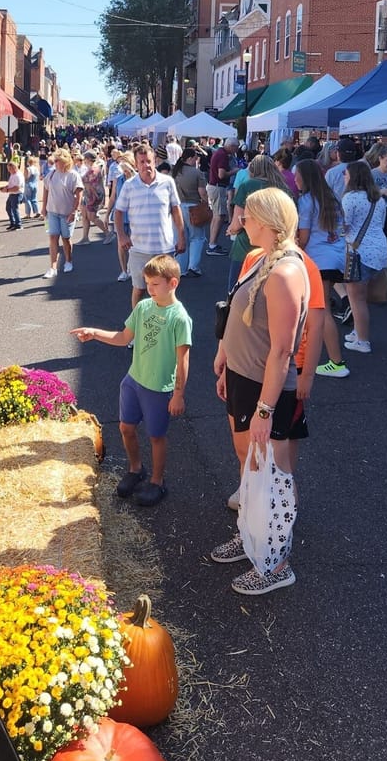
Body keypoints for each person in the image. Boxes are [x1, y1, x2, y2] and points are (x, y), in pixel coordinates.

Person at [210, 187, 309, 595]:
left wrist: (266, 410)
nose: (241, 222)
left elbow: (283, 350)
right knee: (251, 468)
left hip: (264, 390)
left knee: (271, 474)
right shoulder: (263, 259)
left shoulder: (286, 271)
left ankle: (276, 563)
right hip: (243, 378)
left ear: (267, 223)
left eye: (247, 217)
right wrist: (225, 358)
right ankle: (253, 540)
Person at [71, 254, 191, 508]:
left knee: (156, 436)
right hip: (134, 380)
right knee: (126, 427)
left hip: (159, 388)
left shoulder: (179, 317)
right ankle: (136, 469)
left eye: (155, 284)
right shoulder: (143, 307)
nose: (149, 289)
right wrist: (94, 333)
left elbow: (183, 360)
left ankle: (157, 482)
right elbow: (123, 337)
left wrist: (178, 394)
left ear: (173, 284)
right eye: (147, 284)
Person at [294, 158, 349, 378]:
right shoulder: (332, 197)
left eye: (297, 175)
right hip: (335, 256)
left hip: (317, 259)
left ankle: (336, 362)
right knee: (317, 309)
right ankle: (320, 356)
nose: (295, 179)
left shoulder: (307, 201)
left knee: (320, 310)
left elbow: (304, 236)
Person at [115, 144, 185, 309]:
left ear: (155, 161)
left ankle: (164, 328)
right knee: (139, 290)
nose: (146, 165)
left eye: (149, 161)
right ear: (136, 164)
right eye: (141, 162)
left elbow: (176, 210)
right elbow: (118, 212)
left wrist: (182, 237)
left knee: (166, 292)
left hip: (164, 249)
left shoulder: (167, 182)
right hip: (139, 249)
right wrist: (121, 235)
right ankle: (137, 327)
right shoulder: (129, 185)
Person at [340, 161, 387, 354]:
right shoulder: (378, 199)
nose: (344, 177)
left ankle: (363, 340)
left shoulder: (350, 198)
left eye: (346, 174)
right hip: (379, 250)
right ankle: (358, 331)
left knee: (356, 298)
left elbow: (345, 226)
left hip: (359, 251)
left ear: (353, 177)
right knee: (362, 297)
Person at [226, 154, 281, 292]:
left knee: (237, 294)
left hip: (246, 247)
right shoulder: (283, 188)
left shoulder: (247, 186)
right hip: (275, 248)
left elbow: (237, 222)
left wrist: (231, 230)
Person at [41, 148, 83, 278]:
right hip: (52, 212)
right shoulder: (52, 174)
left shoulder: (73, 175)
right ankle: (53, 266)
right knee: (53, 237)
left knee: (66, 238)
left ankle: (68, 261)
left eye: (58, 160)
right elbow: (46, 189)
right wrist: (43, 207)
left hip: (67, 213)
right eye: (55, 160)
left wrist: (74, 211)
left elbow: (79, 193)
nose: (55, 162)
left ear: (65, 161)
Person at [172, 144, 208, 277]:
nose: (196, 160)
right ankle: (194, 265)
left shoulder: (175, 172)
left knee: (180, 238)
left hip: (176, 208)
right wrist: (207, 203)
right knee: (197, 237)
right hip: (193, 207)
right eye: (195, 158)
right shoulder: (197, 173)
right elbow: (202, 192)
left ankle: (180, 268)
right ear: (191, 158)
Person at [108, 151, 136, 281]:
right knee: (121, 244)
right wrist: (107, 214)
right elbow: (113, 197)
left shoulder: (137, 180)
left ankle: (132, 268)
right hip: (120, 215)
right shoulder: (117, 179)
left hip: (134, 216)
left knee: (134, 244)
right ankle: (124, 270)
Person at [206, 138, 238, 255]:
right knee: (220, 215)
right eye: (236, 147)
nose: (237, 149)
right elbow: (221, 174)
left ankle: (212, 243)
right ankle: (212, 244)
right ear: (231, 146)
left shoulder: (219, 153)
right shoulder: (223, 155)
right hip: (218, 186)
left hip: (214, 185)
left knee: (216, 215)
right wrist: (234, 171)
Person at [79, 151, 107, 243]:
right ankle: (85, 238)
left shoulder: (94, 169)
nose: (84, 161)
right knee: (85, 216)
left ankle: (108, 233)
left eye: (85, 159)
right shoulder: (92, 168)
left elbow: (89, 182)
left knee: (92, 217)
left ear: (89, 159)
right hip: (87, 195)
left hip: (93, 195)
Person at [0, 160, 24, 230]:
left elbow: (17, 188)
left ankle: (18, 225)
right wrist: (5, 187)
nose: (9, 171)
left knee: (14, 209)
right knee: (8, 208)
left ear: (14, 168)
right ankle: (13, 223)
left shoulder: (18, 176)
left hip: (17, 194)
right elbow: (11, 184)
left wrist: (6, 190)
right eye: (8, 169)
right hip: (12, 194)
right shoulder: (13, 174)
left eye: (10, 169)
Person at [23, 153, 40, 219]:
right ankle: (37, 211)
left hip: (28, 184)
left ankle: (28, 214)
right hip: (35, 184)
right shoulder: (36, 169)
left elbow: (26, 177)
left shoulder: (28, 169)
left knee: (28, 199)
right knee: (34, 198)